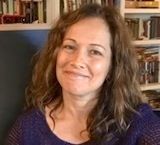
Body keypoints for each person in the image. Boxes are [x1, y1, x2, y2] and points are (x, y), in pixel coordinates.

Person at [6, 3, 160, 145]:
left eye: (95, 51)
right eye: (70, 47)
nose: (77, 60)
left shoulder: (139, 124)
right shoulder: (27, 127)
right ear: (55, 54)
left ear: (113, 66)